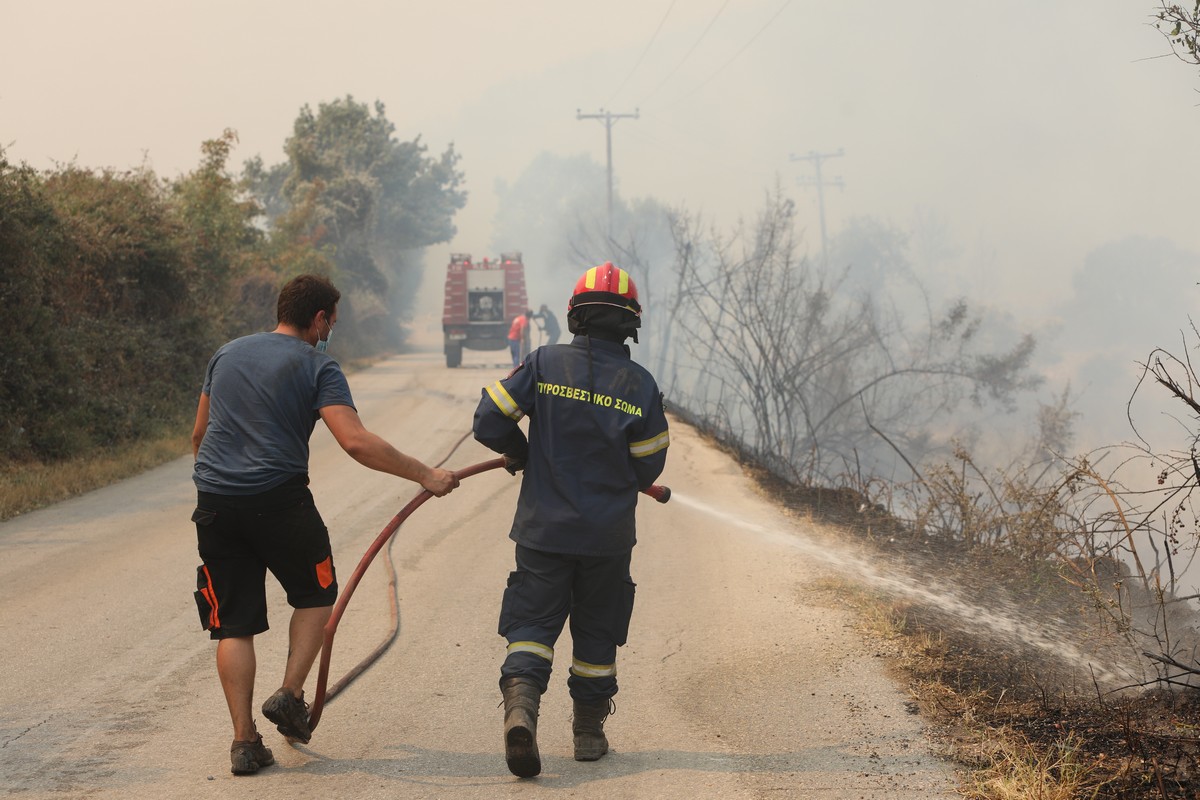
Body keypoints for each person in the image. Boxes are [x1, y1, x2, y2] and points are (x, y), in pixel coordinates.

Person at [190, 273, 459, 776]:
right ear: (318, 319)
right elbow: (354, 441)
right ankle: (290, 695)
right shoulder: (318, 364)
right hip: (279, 501)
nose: (330, 331)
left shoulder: (226, 354)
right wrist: (426, 474)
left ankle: (244, 742)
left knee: (234, 623)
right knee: (316, 595)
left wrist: (216, 492)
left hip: (215, 503)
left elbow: (200, 433)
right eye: (331, 323)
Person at [473, 262, 670, 778]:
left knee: (532, 628)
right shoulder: (640, 384)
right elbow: (650, 463)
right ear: (630, 325)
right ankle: (587, 733)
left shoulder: (542, 362)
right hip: (606, 537)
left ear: (574, 316)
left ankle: (521, 711)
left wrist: (521, 451)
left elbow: (488, 418)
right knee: (597, 632)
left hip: (543, 531)